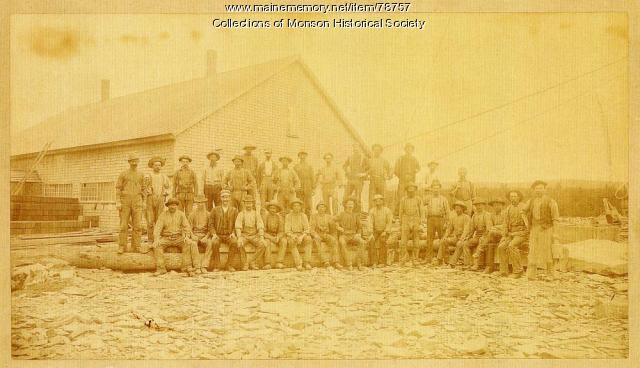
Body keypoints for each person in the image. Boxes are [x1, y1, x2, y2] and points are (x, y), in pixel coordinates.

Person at [149, 198, 199, 277]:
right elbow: (158, 228)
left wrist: (186, 236)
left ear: (177, 206)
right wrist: (156, 239)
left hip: (178, 237)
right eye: (171, 205)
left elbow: (186, 227)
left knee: (188, 244)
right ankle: (161, 269)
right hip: (166, 238)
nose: (173, 207)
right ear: (168, 206)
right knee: (157, 246)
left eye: (175, 205)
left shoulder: (181, 214)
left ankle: (187, 267)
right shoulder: (163, 215)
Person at [523, 180, 560, 281]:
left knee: (548, 251)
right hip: (534, 229)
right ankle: (531, 275)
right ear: (534, 190)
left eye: (540, 188)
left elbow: (555, 219)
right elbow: (523, 211)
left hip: (546, 229)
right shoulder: (531, 201)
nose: (538, 190)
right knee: (533, 251)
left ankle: (550, 274)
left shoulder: (551, 201)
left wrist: (555, 233)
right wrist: (527, 224)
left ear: (545, 189)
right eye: (536, 188)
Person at [116, 153, 145, 254]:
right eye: (132, 161)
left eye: (136, 161)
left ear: (138, 162)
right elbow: (118, 188)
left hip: (137, 201)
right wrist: (118, 201)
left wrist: (143, 201)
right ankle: (122, 246)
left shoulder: (141, 174)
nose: (134, 163)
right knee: (123, 225)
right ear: (129, 162)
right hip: (125, 201)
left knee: (138, 225)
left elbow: (144, 189)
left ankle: (136, 246)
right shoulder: (123, 174)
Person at [497, 190, 529, 278]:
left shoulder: (524, 207)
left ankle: (518, 271)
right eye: (511, 197)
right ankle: (503, 271)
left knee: (512, 246)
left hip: (522, 234)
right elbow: (505, 224)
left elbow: (528, 225)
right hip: (511, 234)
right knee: (501, 247)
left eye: (515, 196)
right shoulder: (508, 209)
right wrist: (504, 235)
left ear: (519, 197)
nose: (513, 198)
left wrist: (520, 233)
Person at [432, 201, 471, 267]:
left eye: (459, 208)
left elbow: (466, 230)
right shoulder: (454, 218)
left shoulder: (466, 217)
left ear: (462, 209)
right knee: (444, 241)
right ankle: (440, 260)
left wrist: (461, 239)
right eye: (456, 208)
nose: (457, 210)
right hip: (456, 237)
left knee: (459, 244)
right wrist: (445, 236)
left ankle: (452, 263)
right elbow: (449, 229)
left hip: (465, 238)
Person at [208, 190, 238, 272]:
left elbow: (237, 224)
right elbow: (211, 224)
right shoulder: (215, 210)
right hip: (218, 234)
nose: (225, 199)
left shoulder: (234, 210)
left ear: (229, 198)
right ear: (221, 198)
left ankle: (229, 265)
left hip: (229, 235)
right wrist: (214, 234)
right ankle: (217, 266)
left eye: (227, 197)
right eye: (223, 197)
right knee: (214, 243)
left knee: (234, 242)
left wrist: (233, 233)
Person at [234, 195, 267, 271]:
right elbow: (238, 227)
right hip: (244, 235)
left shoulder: (256, 214)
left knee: (263, 245)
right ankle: (245, 263)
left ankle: (253, 262)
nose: (248, 205)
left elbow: (260, 226)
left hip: (254, 235)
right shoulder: (241, 214)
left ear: (253, 204)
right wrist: (239, 238)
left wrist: (261, 237)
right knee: (239, 244)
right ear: (244, 204)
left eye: (250, 203)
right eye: (247, 203)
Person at [335, 198, 367, 271]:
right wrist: (338, 226)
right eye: (349, 204)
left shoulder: (356, 215)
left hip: (353, 235)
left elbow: (359, 227)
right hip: (344, 235)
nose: (350, 206)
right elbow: (333, 220)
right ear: (345, 205)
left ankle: (359, 263)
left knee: (362, 242)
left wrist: (358, 234)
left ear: (354, 206)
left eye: (352, 204)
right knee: (342, 243)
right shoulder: (341, 214)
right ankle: (349, 264)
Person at [475, 198, 506, 273]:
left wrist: (496, 227)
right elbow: (489, 226)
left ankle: (479, 250)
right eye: (495, 206)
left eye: (498, 205)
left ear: (502, 206)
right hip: (493, 235)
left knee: (490, 234)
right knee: (486, 241)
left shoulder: (505, 214)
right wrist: (494, 228)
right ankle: (486, 266)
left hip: (504, 234)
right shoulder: (491, 215)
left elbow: (505, 225)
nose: (496, 207)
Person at [282, 198, 313, 270]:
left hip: (302, 234)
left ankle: (306, 262)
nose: (296, 207)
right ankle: (298, 263)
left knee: (309, 239)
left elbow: (307, 229)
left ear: (300, 207)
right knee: (291, 242)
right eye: (294, 206)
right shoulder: (288, 216)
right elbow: (287, 230)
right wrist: (294, 236)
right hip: (292, 235)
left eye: (298, 206)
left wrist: (301, 237)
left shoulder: (304, 216)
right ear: (292, 207)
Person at [424, 180, 450, 264]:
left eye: (437, 188)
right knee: (429, 239)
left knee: (443, 239)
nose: (436, 190)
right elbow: (422, 207)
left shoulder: (444, 199)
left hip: (440, 219)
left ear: (440, 189)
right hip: (430, 219)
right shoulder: (428, 199)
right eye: (434, 188)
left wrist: (446, 222)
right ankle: (428, 258)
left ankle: (445, 258)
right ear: (431, 189)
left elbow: (447, 212)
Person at [461, 198, 492, 270]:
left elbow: (489, 229)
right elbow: (471, 229)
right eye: (477, 205)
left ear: (483, 206)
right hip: (477, 236)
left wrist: (484, 236)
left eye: (480, 205)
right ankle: (469, 264)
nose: (478, 207)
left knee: (481, 242)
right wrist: (468, 237)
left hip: (486, 235)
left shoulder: (487, 215)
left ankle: (476, 265)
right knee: (465, 244)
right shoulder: (474, 216)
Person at [398, 182, 424, 267]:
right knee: (403, 241)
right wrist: (401, 223)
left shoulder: (418, 199)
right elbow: (400, 212)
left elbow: (422, 211)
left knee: (416, 241)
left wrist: (421, 223)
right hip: (406, 219)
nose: (411, 193)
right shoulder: (403, 199)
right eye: (409, 191)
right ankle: (403, 258)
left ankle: (415, 259)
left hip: (416, 219)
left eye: (412, 191)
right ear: (407, 191)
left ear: (415, 191)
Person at [146, 156, 170, 244]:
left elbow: (168, 187)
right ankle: (150, 239)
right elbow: (144, 187)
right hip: (150, 199)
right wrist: (148, 190)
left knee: (159, 220)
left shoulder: (164, 177)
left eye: (159, 165)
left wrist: (165, 193)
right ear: (152, 166)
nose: (157, 167)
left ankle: (158, 238)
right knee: (150, 220)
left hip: (160, 199)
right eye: (156, 165)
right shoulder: (148, 176)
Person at [310, 202, 341, 269]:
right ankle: (325, 261)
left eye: (323, 207)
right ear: (317, 208)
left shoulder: (328, 216)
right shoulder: (314, 216)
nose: (321, 209)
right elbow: (311, 229)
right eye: (320, 207)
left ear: (325, 209)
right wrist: (315, 235)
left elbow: (333, 225)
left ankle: (336, 262)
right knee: (317, 241)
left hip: (326, 234)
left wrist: (335, 224)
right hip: (317, 234)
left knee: (334, 241)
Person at [188, 194, 211, 274]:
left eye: (202, 203)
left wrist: (206, 237)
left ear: (204, 203)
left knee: (210, 243)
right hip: (195, 235)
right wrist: (192, 236)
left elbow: (210, 228)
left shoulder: (208, 214)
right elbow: (189, 228)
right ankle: (197, 266)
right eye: (199, 203)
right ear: (196, 203)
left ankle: (204, 266)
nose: (200, 204)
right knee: (193, 244)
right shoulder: (192, 214)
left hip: (204, 235)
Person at [368, 194, 393, 268]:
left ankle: (382, 262)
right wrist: (370, 233)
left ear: (382, 201)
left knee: (382, 240)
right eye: (375, 200)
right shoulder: (372, 211)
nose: (377, 202)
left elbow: (389, 222)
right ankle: (373, 262)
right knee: (371, 241)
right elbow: (370, 222)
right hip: (375, 231)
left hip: (384, 231)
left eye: (379, 200)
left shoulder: (387, 210)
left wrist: (386, 231)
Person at [393, 143, 420, 210]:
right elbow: (395, 169)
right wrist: (401, 176)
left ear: (412, 150)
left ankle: (411, 210)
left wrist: (415, 171)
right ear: (405, 150)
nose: (409, 150)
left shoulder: (414, 159)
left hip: (411, 179)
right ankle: (398, 212)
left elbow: (418, 168)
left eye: (410, 149)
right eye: (407, 149)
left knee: (411, 194)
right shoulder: (401, 158)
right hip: (402, 179)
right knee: (400, 195)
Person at [366, 143, 392, 210]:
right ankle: (371, 213)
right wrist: (367, 176)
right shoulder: (370, 160)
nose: (376, 151)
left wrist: (388, 176)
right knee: (372, 197)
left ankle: (384, 212)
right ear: (373, 150)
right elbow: (365, 170)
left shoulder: (384, 160)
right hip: (373, 181)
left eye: (378, 150)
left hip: (381, 180)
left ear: (381, 151)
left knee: (383, 196)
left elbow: (390, 168)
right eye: (375, 150)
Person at [343, 143, 368, 209]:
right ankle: (347, 212)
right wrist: (347, 171)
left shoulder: (363, 157)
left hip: (359, 180)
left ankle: (357, 213)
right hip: (351, 179)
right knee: (346, 196)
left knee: (357, 197)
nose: (355, 149)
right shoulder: (350, 157)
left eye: (357, 147)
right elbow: (344, 165)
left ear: (360, 148)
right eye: (354, 147)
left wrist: (364, 174)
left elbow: (370, 168)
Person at [262, 201, 285, 270]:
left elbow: (281, 231)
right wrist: (270, 237)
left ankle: (279, 262)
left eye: (274, 209)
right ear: (268, 209)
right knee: (267, 242)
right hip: (267, 235)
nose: (272, 210)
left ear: (277, 210)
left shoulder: (279, 217)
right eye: (271, 208)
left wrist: (278, 237)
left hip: (276, 235)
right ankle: (267, 263)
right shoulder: (265, 217)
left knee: (284, 241)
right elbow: (262, 231)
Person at [294, 150, 315, 217]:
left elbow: (312, 177)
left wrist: (313, 188)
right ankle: (300, 218)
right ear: (299, 156)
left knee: (308, 203)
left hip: (308, 185)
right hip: (299, 185)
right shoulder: (296, 166)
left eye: (304, 155)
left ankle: (308, 219)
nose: (302, 156)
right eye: (301, 155)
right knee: (299, 202)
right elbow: (294, 178)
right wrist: (296, 187)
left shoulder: (309, 166)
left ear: (306, 156)